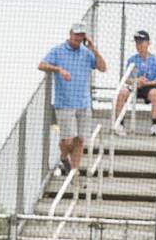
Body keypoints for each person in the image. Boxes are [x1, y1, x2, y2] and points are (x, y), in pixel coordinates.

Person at [38, 22, 107, 175]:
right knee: (68, 140)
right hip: (65, 103)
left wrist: (94, 49)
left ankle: (73, 172)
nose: (78, 37)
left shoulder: (87, 53)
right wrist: (58, 69)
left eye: (81, 35)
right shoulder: (58, 51)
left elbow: (103, 68)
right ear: (70, 34)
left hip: (83, 102)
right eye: (76, 34)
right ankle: (63, 157)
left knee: (80, 139)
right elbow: (41, 65)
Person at [113, 31, 156, 136]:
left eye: (141, 42)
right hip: (135, 87)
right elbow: (126, 78)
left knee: (155, 94)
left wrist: (146, 82)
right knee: (122, 92)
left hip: (149, 88)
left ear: (148, 43)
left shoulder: (155, 60)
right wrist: (136, 81)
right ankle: (120, 124)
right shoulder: (132, 60)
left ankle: (154, 125)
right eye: (137, 42)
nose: (138, 45)